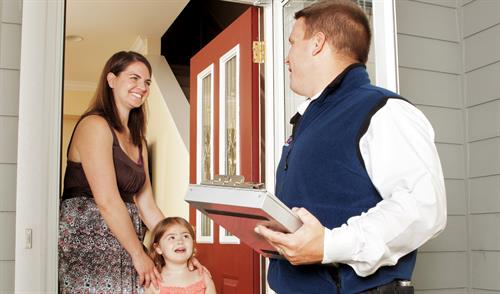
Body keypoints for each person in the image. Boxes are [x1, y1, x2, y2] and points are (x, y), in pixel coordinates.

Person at [255, 1, 447, 293]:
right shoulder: (309, 121)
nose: (287, 57)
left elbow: (422, 209)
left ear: (317, 43)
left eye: (293, 43)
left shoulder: (385, 111)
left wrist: (330, 245)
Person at [59, 51, 206, 293]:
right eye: (134, 78)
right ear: (111, 79)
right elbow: (106, 200)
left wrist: (179, 249)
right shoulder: (94, 126)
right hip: (89, 242)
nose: (142, 87)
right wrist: (138, 253)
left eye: (147, 82)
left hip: (125, 240)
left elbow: (146, 205)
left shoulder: (139, 142)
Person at [144, 217, 216, 294]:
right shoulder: (153, 284)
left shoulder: (203, 277)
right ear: (158, 248)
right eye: (172, 237)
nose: (180, 241)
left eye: (185, 236)